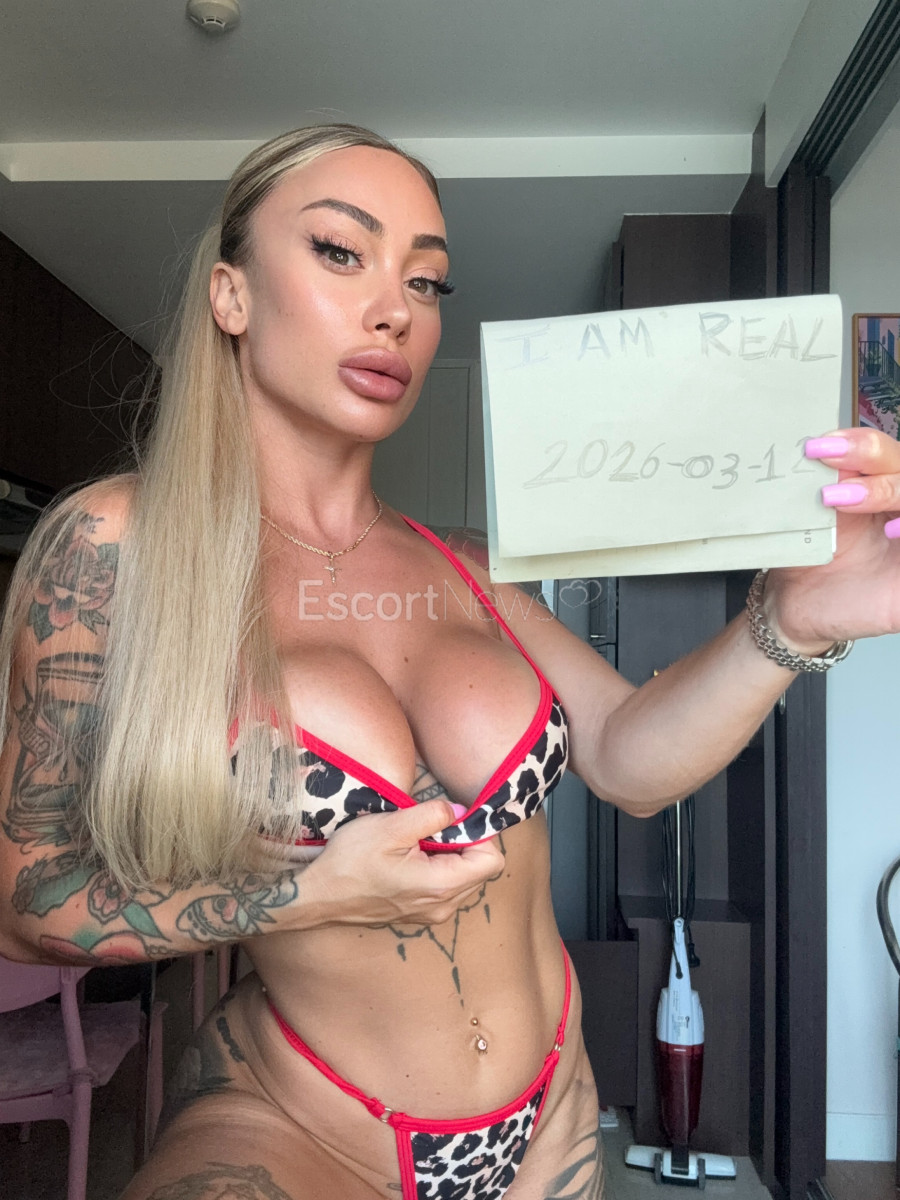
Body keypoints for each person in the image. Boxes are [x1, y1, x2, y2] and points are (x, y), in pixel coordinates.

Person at [0, 123, 898, 1200]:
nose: (397, 310)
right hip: (305, 1123)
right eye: (341, 252)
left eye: (427, 281)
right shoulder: (117, 546)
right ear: (231, 296)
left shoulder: (467, 565)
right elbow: (27, 903)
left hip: (553, 1118)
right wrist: (306, 893)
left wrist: (793, 620)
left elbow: (630, 759)